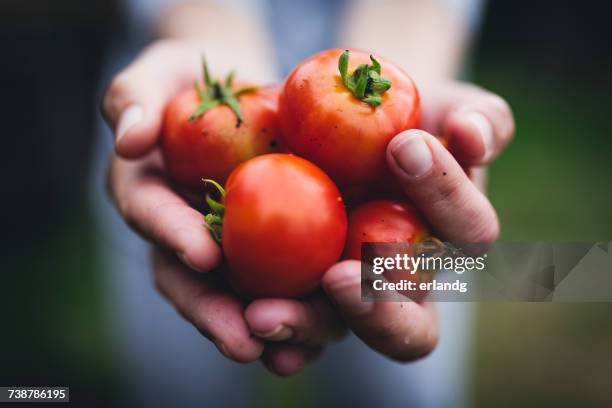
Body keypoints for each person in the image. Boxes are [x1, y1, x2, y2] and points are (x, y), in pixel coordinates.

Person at [95, 0, 514, 406]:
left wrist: (409, 53)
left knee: (398, 393)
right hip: (180, 93)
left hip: (402, 60)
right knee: (182, 389)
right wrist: (206, 32)